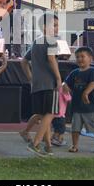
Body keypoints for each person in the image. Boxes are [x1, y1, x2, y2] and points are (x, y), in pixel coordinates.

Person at [21, 13, 61, 157]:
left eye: (57, 25)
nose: (57, 29)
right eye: (54, 25)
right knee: (50, 114)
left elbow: (23, 61)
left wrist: (31, 78)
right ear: (45, 28)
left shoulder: (36, 42)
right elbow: (51, 59)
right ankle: (35, 143)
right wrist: (58, 78)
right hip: (49, 84)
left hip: (37, 84)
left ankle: (48, 146)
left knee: (44, 115)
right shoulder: (52, 41)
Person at [63, 47, 94, 153]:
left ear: (90, 59)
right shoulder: (74, 73)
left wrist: (86, 92)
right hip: (77, 107)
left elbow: (93, 83)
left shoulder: (92, 71)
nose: (80, 59)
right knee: (75, 128)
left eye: (83, 56)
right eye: (77, 57)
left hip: (90, 107)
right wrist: (64, 87)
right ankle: (75, 145)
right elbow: (66, 84)